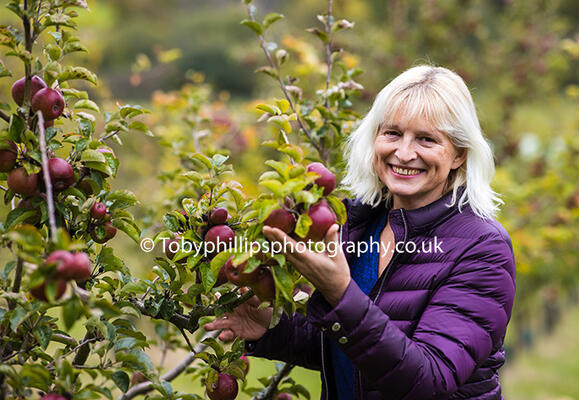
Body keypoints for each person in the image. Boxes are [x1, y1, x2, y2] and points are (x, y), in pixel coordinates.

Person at [205, 65, 516, 400]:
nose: (405, 152)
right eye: (392, 133)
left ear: (458, 154)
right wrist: (271, 327)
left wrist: (339, 292)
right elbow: (349, 350)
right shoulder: (358, 223)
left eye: (426, 139)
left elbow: (429, 380)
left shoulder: (483, 248)